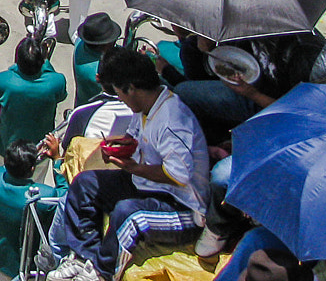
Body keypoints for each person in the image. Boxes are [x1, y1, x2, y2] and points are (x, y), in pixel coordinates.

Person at [47, 48, 209, 281]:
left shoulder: (172, 120)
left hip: (183, 206)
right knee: (85, 184)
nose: (119, 99)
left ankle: (102, 273)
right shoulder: (144, 108)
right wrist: (119, 145)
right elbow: (134, 137)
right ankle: (86, 257)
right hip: (149, 186)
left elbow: (179, 175)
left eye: (119, 93)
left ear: (131, 88)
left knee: (128, 214)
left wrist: (134, 168)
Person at [0, 39, 67, 163]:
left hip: (5, 145)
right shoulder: (57, 81)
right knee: (37, 179)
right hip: (39, 149)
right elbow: (61, 96)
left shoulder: (2, 80)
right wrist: (46, 65)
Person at [0, 141, 39, 281]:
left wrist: (17, 160)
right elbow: (65, 193)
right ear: (32, 169)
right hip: (25, 260)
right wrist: (57, 160)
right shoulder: (43, 195)